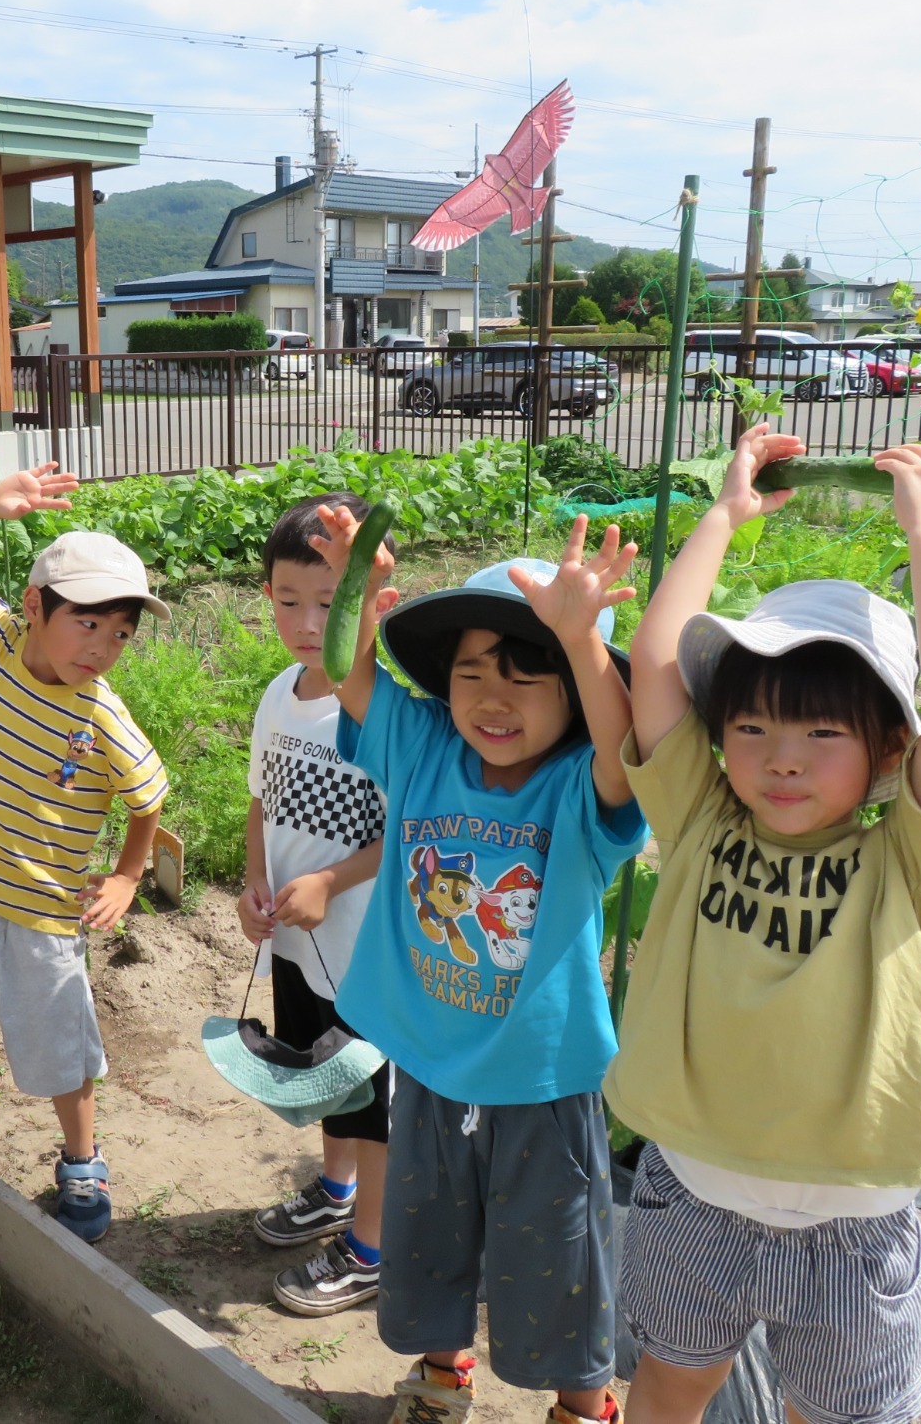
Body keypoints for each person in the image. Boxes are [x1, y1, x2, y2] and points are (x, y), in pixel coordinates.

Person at [606, 429, 921, 1424]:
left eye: (821, 732)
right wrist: (720, 518)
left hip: (852, 1233)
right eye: (750, 728)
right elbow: (655, 663)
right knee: (667, 1387)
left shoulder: (906, 863)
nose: (780, 759)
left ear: (886, 748)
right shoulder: (696, 821)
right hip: (693, 1200)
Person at [312, 504, 649, 1424]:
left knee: (560, 1254)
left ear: (575, 698)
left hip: (540, 1081)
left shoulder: (580, 789)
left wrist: (583, 643)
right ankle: (439, 1376)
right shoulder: (424, 748)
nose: (492, 700)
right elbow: (348, 672)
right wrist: (352, 594)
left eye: (526, 676)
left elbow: (628, 758)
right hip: (429, 1060)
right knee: (430, 1238)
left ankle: (585, 1406)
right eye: (470, 673)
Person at [0, 462, 169, 1243]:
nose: (103, 646)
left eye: (121, 632)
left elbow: (147, 797)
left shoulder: (100, 716)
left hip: (45, 915)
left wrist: (126, 873)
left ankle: (81, 1160)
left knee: (55, 1049)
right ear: (34, 606)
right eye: (87, 622)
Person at [240, 493, 396, 1316]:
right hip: (297, 942)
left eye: (331, 604)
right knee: (319, 1069)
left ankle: (371, 1243)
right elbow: (262, 799)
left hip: (364, 947)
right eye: (290, 601)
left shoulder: (381, 714)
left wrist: (331, 883)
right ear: (266, 594)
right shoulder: (279, 695)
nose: (308, 623)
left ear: (373, 602)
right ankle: (333, 1190)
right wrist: (250, 881)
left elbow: (409, 831)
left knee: (371, 1100)